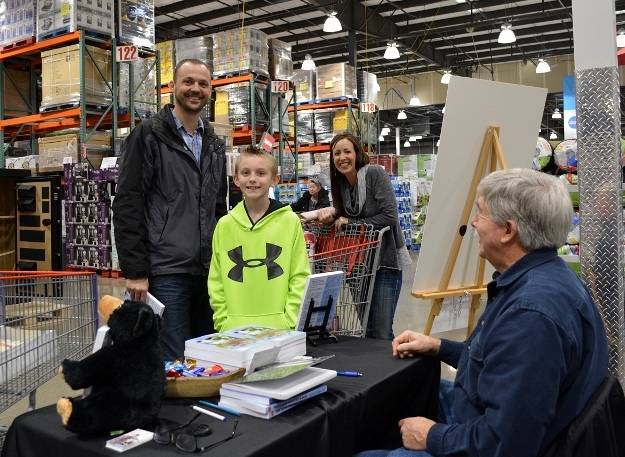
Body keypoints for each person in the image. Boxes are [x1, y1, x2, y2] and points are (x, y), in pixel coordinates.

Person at [356, 168, 609, 457]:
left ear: (508, 231)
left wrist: (432, 435)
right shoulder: (546, 279)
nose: (473, 223)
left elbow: (505, 443)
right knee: (391, 401)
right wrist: (438, 346)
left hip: (489, 436)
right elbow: (500, 365)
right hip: (482, 411)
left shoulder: (531, 315)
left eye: (481, 213)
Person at [113, 58, 227, 361]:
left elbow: (219, 209)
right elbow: (127, 202)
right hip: (166, 271)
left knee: (208, 361)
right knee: (173, 363)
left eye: (203, 84)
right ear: (172, 86)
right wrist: (135, 270)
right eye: (188, 82)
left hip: (207, 271)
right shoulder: (148, 134)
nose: (195, 89)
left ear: (211, 91)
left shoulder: (215, 144)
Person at [317, 132, 411, 340]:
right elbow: (342, 216)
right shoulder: (340, 184)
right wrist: (328, 218)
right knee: (367, 331)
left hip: (385, 262)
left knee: (381, 331)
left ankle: (392, 370)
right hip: (359, 266)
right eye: (337, 153)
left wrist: (353, 223)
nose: (342, 157)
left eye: (347, 151)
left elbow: (389, 216)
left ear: (357, 153)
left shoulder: (374, 174)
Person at [208, 147, 310, 332]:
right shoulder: (224, 226)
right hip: (233, 331)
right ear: (236, 179)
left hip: (280, 329)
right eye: (246, 173)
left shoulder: (289, 222)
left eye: (261, 173)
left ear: (274, 180)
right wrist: (223, 322)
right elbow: (216, 280)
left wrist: (289, 320)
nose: (253, 179)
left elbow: (299, 276)